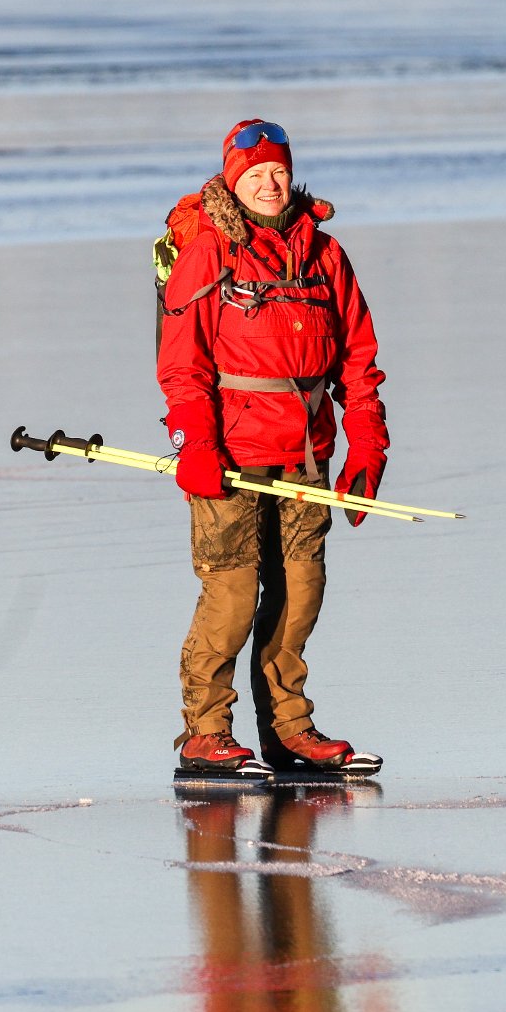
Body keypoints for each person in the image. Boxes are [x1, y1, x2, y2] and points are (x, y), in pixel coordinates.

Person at [157, 119, 389, 776]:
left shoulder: (325, 254)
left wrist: (366, 449)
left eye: (277, 172)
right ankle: (205, 736)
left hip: (305, 457)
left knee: (299, 593)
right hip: (228, 457)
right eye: (254, 173)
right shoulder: (209, 251)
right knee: (230, 596)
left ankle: (289, 732)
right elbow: (182, 365)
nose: (268, 183)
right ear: (235, 180)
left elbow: (359, 361)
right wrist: (194, 444)